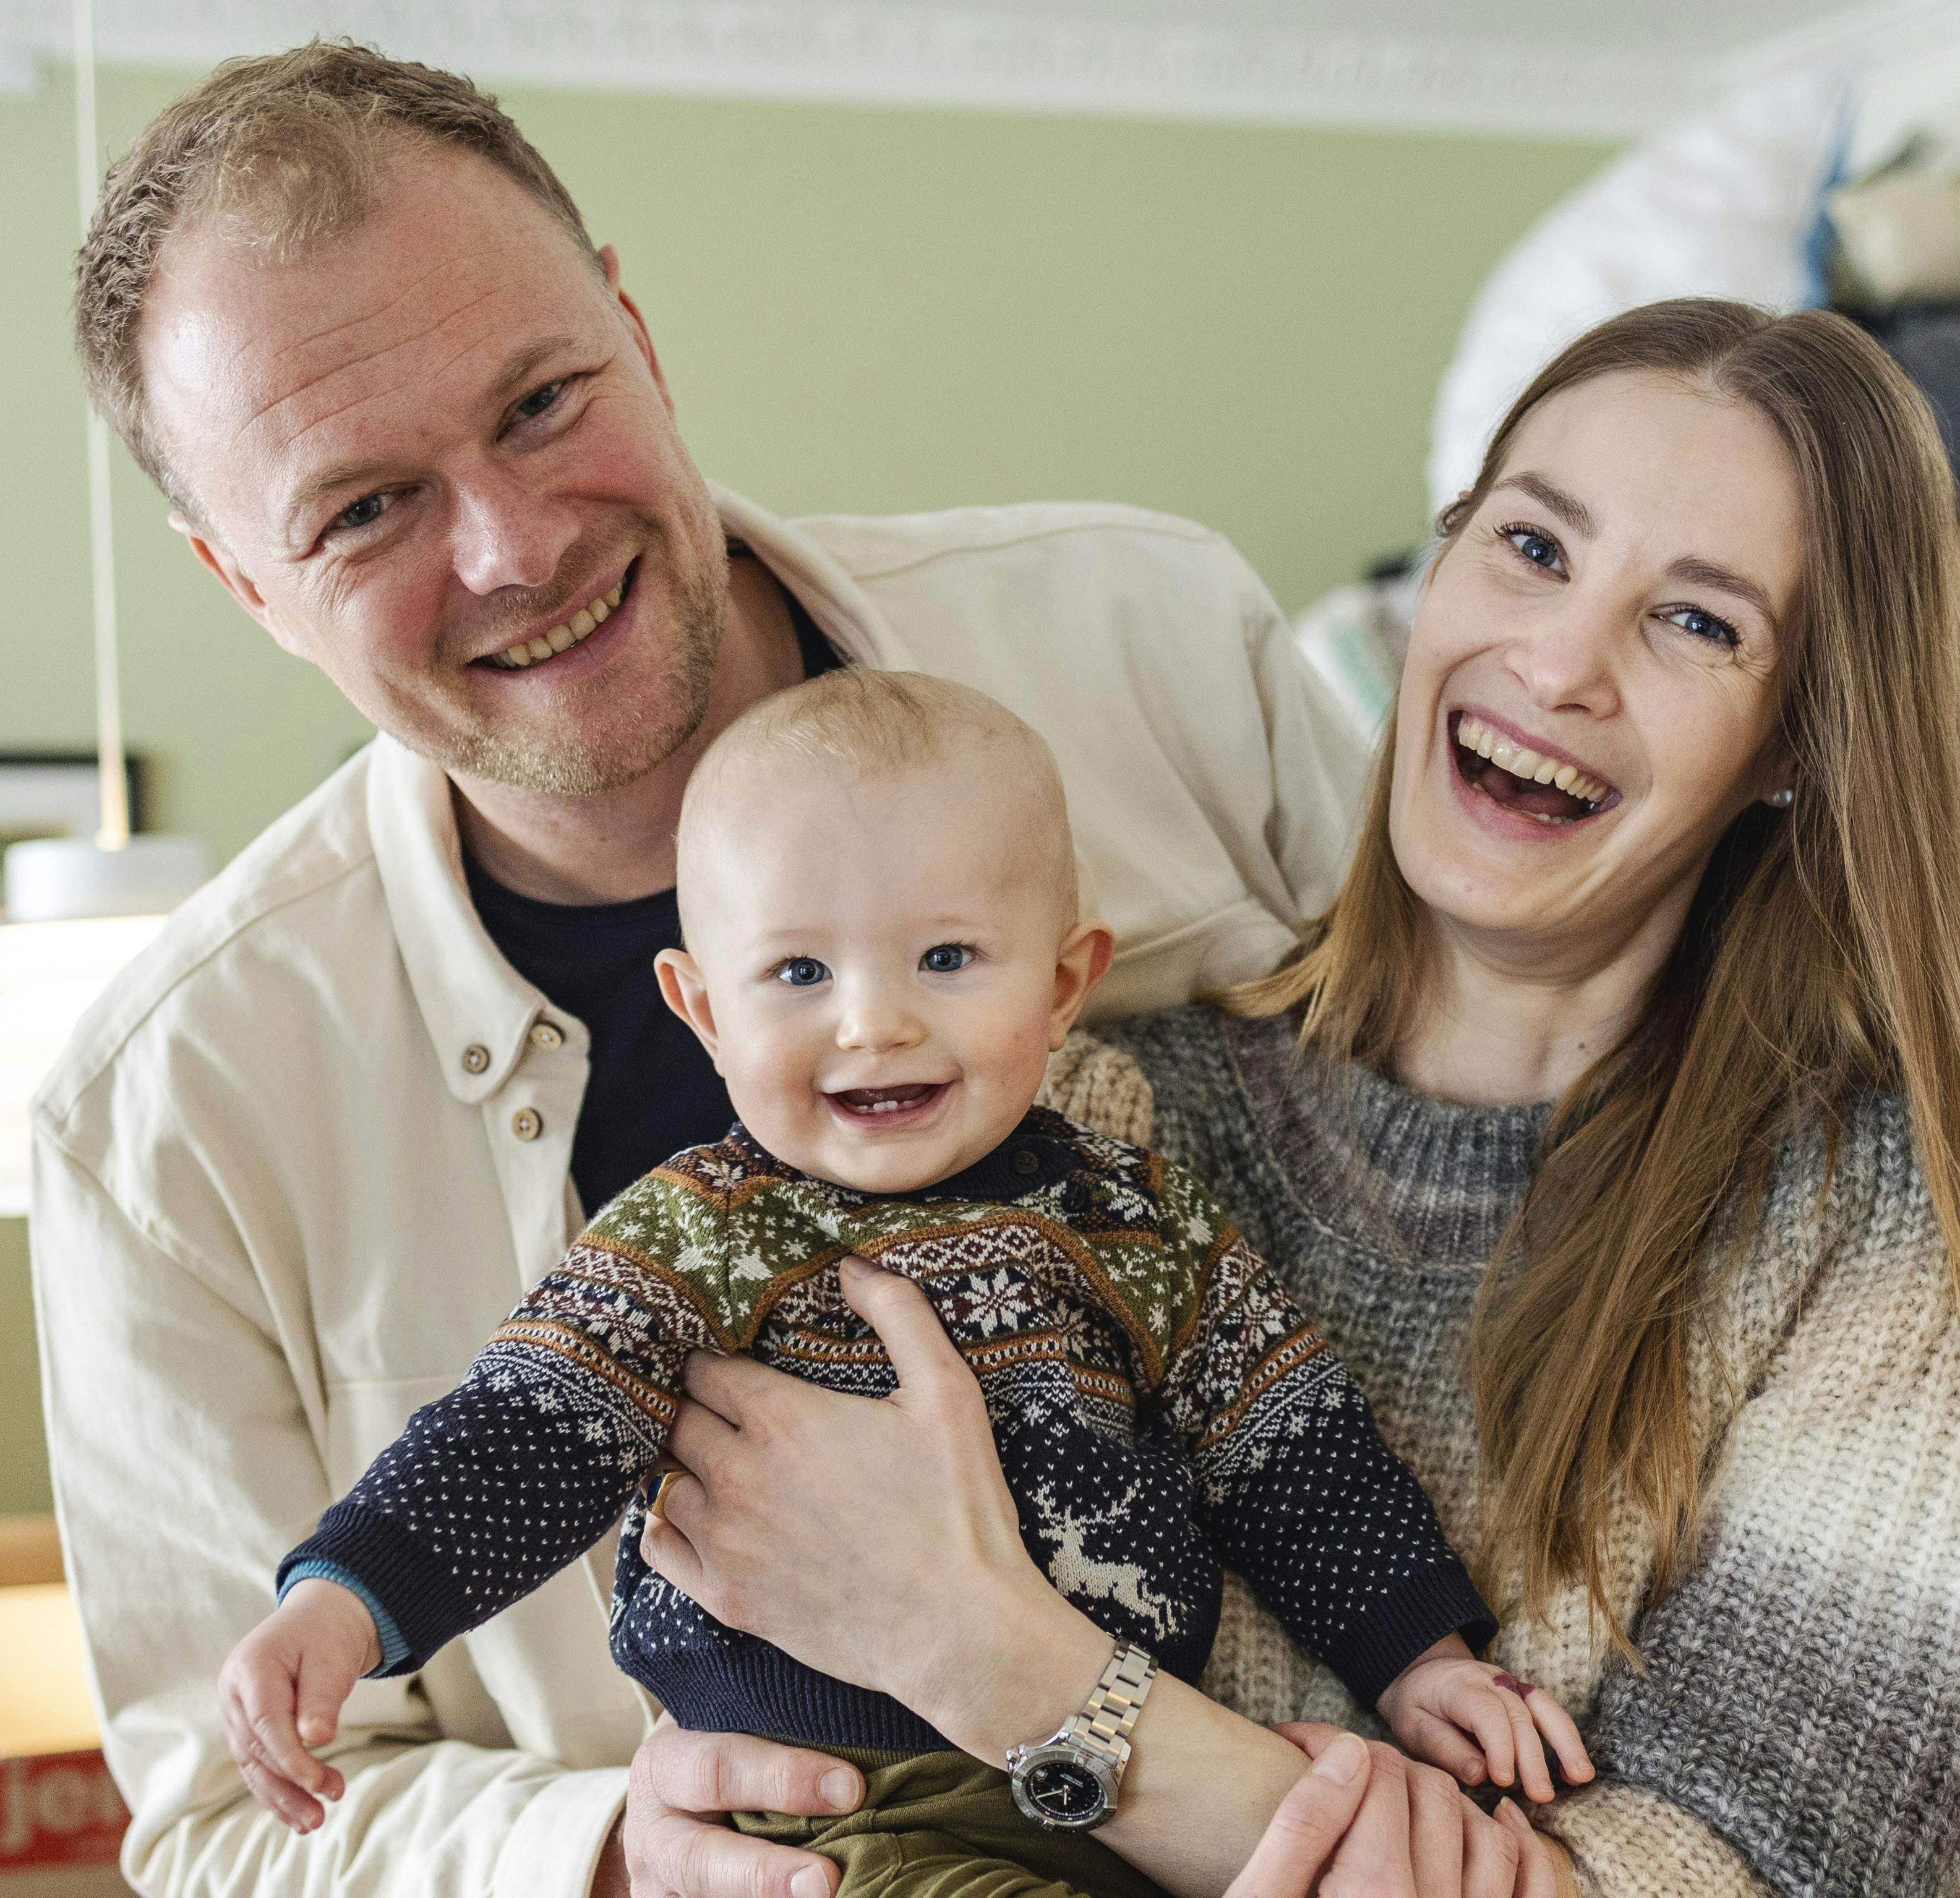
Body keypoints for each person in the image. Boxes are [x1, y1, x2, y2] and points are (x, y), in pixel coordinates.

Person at [28, 41, 1482, 1898]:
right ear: (242, 577)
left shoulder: (1157, 645)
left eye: (545, 400)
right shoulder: (165, 1114)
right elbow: (224, 1813)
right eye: (364, 509)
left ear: (635, 328)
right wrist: (600, 1852)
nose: (514, 543)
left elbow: (1516, 1181)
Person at [610, 299, 1960, 1898]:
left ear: (1804, 732)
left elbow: (1790, 1873)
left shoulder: (1908, 1194)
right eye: (1532, 546)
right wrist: (700, 1803)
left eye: (1700, 622)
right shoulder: (1099, 1113)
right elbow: (785, 1574)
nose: (1558, 660)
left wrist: (1007, 1665)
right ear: (1438, 573)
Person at [218, 670, 1587, 1897]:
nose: (873, 1017)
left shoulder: (1140, 1218)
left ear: (1063, 985)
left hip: (1120, 1794)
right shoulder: (697, 1235)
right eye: (800, 971)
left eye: (945, 958)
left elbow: (1294, 1445)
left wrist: (1425, 1661)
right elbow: (526, 1422)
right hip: (835, 1806)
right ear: (705, 1008)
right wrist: (344, 1597)